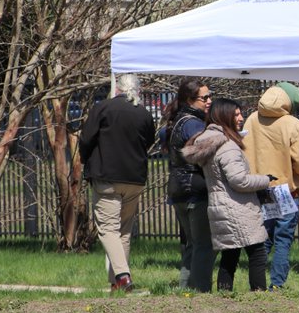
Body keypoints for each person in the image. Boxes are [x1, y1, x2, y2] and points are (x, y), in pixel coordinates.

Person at [182, 98, 273, 292]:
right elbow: (239, 180)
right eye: (236, 114)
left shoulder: (208, 141)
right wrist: (265, 179)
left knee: (230, 255)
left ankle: (224, 296)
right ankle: (260, 295)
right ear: (224, 116)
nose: (241, 118)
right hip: (237, 208)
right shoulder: (227, 146)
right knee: (257, 253)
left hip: (220, 206)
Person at [78, 74, 156, 293]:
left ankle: (122, 275)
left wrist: (87, 160)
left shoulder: (103, 108)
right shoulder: (144, 113)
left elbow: (86, 140)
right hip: (135, 178)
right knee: (123, 231)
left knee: (108, 229)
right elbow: (148, 141)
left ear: (117, 89)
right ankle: (116, 284)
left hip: (107, 177)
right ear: (137, 90)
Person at [243, 81, 299, 289]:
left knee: (263, 238)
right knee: (283, 238)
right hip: (285, 190)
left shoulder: (251, 120)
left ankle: (257, 283)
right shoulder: (293, 124)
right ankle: (277, 284)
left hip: (260, 187)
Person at [161, 78, 215, 292]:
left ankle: (186, 290)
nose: (209, 101)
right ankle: (201, 290)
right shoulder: (193, 124)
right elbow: (200, 154)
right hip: (194, 188)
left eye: (210, 96)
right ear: (190, 100)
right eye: (205, 98)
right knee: (204, 244)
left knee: (193, 244)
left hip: (178, 188)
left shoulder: (177, 120)